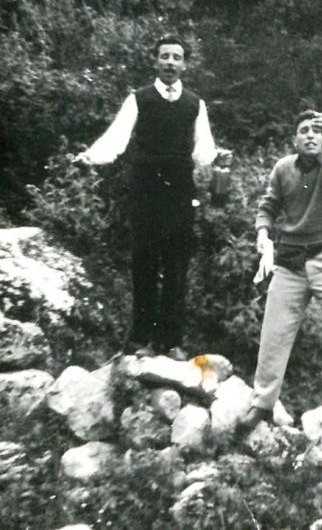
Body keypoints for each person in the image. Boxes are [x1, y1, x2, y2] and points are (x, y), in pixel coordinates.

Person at [75, 34, 225, 359]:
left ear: (185, 65)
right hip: (145, 191)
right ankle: (140, 339)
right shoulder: (139, 99)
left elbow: (203, 149)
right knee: (144, 263)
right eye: (164, 56)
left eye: (176, 57)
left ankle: (170, 341)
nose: (170, 62)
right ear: (155, 61)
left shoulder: (195, 104)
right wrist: (90, 157)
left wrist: (217, 159)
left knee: (176, 266)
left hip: (180, 192)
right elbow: (116, 138)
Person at [240, 110, 322, 429]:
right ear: (295, 139)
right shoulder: (283, 168)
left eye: (316, 131)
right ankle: (262, 403)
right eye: (304, 130)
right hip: (291, 259)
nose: (310, 135)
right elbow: (267, 206)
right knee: (274, 331)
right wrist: (262, 233)